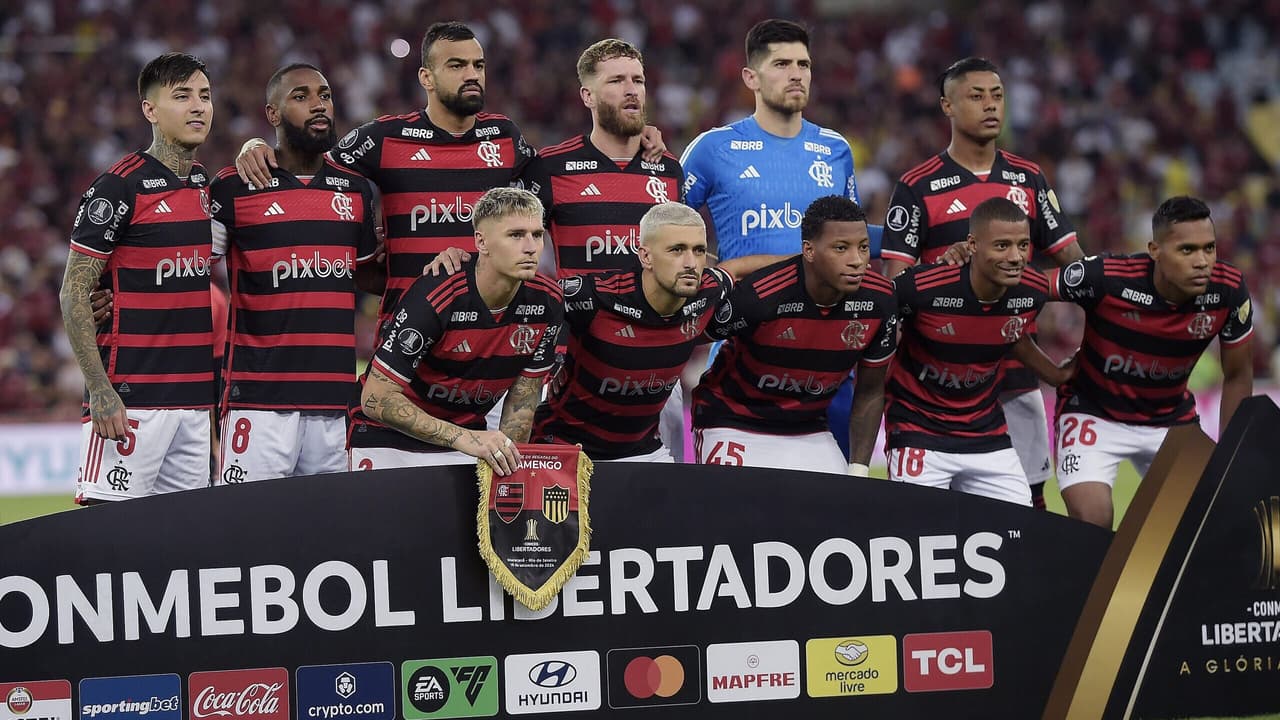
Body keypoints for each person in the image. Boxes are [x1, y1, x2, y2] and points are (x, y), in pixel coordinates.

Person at [880, 57, 1084, 508]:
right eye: (976, 96)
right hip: (936, 378)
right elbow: (897, 286)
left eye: (997, 95)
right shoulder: (918, 186)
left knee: (1030, 504)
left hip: (1013, 370)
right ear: (947, 106)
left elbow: (1076, 267)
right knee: (933, 519)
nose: (991, 106)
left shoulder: (1028, 179)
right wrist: (945, 273)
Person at [679, 18, 882, 460]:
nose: (797, 74)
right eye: (782, 64)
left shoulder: (835, 149)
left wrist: (918, 242)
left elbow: (853, 238)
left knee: (835, 514)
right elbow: (669, 231)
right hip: (744, 351)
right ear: (750, 76)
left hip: (827, 359)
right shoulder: (713, 149)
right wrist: (721, 270)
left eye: (804, 64)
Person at [208, 63, 379, 483]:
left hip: (335, 402)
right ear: (272, 114)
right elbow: (190, 269)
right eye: (300, 97)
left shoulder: (355, 190)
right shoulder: (233, 187)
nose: (318, 105)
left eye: (324, 95)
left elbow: (370, 275)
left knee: (335, 536)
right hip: (259, 403)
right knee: (249, 533)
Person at [60, 52, 215, 503]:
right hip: (130, 403)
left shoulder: (205, 185)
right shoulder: (119, 186)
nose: (198, 107)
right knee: (107, 545)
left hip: (193, 404)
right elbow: (73, 293)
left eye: (205, 96)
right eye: (182, 96)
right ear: (150, 110)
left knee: (185, 548)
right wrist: (100, 390)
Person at [1049, 196, 1253, 528]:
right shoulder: (1108, 277)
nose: (1202, 261)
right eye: (1187, 250)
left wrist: (1231, 454)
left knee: (1202, 526)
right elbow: (1025, 290)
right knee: (1093, 521)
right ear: (1154, 250)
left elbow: (1238, 375)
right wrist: (1048, 369)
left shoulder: (1227, 290)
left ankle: (1144, 575)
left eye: (1209, 248)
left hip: (1171, 421)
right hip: (1094, 414)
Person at [531, 203, 782, 462]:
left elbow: (737, 269)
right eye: (677, 250)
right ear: (646, 257)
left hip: (642, 453)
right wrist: (553, 354)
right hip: (565, 448)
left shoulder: (708, 289)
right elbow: (535, 303)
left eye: (699, 251)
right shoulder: (595, 296)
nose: (691, 263)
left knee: (682, 500)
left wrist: (809, 261)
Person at [354, 187, 563, 474]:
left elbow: (522, 404)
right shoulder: (438, 294)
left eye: (537, 235)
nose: (530, 247)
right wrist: (466, 438)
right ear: (482, 241)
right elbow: (375, 398)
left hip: (466, 443)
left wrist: (508, 467)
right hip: (389, 440)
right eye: (515, 235)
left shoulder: (548, 300)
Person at [885, 197, 1072, 505]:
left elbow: (1012, 334)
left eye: (1023, 245)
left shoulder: (1032, 291)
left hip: (985, 431)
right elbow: (879, 320)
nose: (1015, 257)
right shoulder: (921, 288)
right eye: (1001, 246)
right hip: (917, 427)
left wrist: (1057, 374)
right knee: (921, 535)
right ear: (971, 245)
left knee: (1018, 531)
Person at [694, 196, 897, 476]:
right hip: (733, 421)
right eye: (841, 248)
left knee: (838, 515)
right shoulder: (761, 295)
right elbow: (691, 336)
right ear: (809, 250)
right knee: (737, 516)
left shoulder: (880, 300)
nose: (857, 261)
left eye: (863, 248)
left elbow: (870, 391)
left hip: (809, 429)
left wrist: (859, 469)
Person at [522, 38, 684, 278]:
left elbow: (682, 254)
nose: (631, 90)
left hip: (654, 317)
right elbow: (513, 243)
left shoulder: (669, 169)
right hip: (578, 316)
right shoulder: (551, 167)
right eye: (617, 81)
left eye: (638, 81)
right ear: (588, 96)